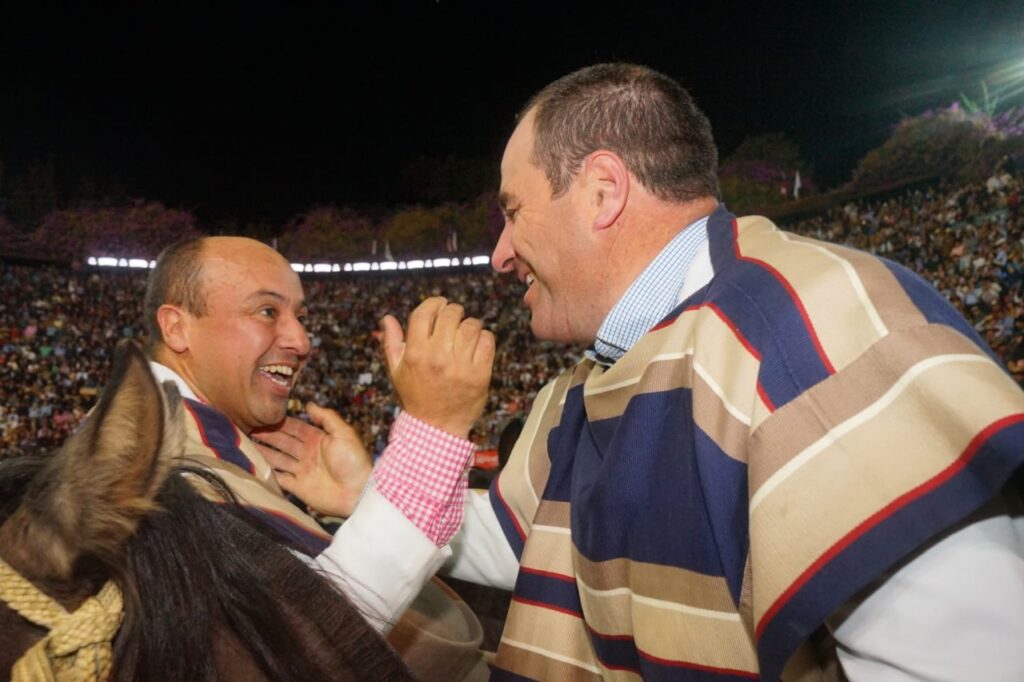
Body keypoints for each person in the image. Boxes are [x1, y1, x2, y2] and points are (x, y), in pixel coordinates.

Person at [276, 64, 1024, 681]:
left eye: (513, 211)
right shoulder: (598, 372)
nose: (499, 253)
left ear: (603, 192)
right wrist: (369, 493)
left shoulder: (806, 324)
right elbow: (525, 538)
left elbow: (967, 661)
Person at [143, 235, 495, 679]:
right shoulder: (153, 464)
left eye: (301, 317)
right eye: (267, 311)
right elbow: (290, 653)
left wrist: (361, 492)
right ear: (176, 328)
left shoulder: (177, 432)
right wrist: (432, 432)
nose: (302, 340)